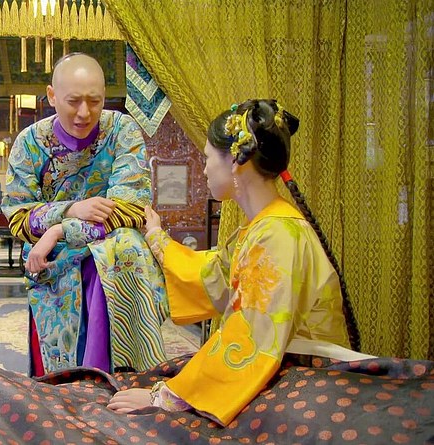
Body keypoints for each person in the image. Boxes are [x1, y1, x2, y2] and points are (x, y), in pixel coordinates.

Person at [108, 99, 360, 426]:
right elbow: (209, 277)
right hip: (278, 369)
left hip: (305, 380)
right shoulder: (265, 227)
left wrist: (166, 397)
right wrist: (156, 236)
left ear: (235, 162)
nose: (204, 169)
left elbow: (250, 339)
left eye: (207, 158)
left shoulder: (277, 235)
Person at [2, 53, 169, 377]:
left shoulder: (121, 131)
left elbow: (131, 208)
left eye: (94, 101)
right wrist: (70, 209)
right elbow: (19, 217)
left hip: (107, 249)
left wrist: (59, 229)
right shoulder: (30, 144)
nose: (84, 112)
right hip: (52, 259)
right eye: (73, 101)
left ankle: (122, 378)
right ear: (52, 96)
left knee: (123, 246)